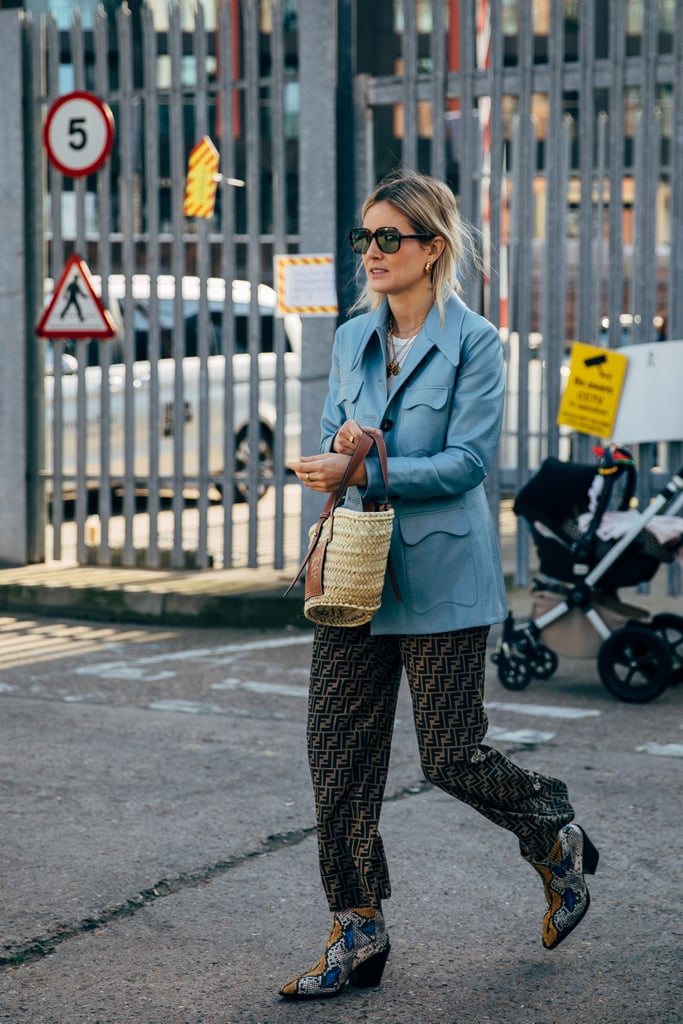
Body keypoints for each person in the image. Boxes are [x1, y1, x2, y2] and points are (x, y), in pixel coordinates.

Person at [281, 169, 598, 1001]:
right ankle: (357, 929)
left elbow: (466, 465)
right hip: (357, 573)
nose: (373, 253)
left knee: (451, 754)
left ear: (432, 248)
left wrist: (369, 456)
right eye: (365, 237)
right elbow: (332, 437)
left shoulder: (475, 342)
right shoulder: (352, 336)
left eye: (390, 237)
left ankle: (549, 827)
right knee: (337, 758)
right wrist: (338, 452)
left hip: (443, 576)